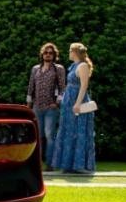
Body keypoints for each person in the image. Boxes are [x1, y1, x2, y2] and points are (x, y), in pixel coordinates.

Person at [51, 43, 96, 174]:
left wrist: (77, 103)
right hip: (68, 103)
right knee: (68, 132)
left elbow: (84, 86)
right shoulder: (73, 66)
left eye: (71, 50)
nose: (69, 52)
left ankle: (80, 165)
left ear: (75, 52)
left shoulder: (82, 66)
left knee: (79, 132)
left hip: (77, 103)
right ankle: (67, 164)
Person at [27, 43, 66, 170]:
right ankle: (36, 163)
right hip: (37, 106)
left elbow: (62, 88)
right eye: (46, 52)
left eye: (50, 53)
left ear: (54, 55)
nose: (48, 55)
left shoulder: (58, 69)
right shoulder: (35, 69)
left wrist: (57, 103)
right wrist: (29, 104)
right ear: (42, 54)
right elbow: (31, 87)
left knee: (49, 135)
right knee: (38, 136)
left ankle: (50, 163)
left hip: (51, 107)